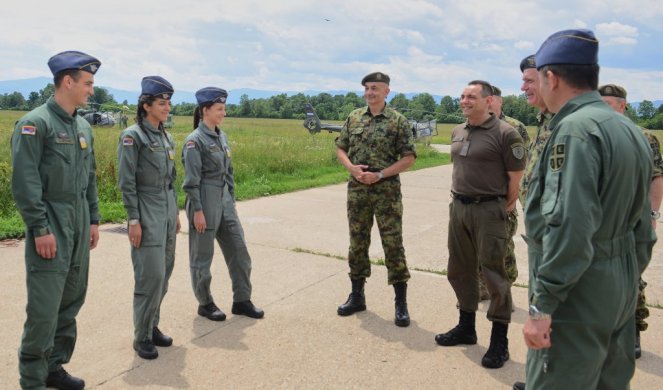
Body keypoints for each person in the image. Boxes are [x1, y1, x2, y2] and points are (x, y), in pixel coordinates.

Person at [522, 29, 656, 388]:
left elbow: (569, 225)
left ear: (551, 77)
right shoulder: (627, 129)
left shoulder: (574, 131)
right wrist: (622, 275)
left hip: (576, 291)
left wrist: (543, 305)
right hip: (620, 282)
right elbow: (644, 227)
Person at [11, 50, 101, 390]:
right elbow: (25, 182)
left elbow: (89, 176)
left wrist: (93, 218)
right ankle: (32, 381)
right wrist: (39, 227)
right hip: (51, 220)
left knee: (70, 300)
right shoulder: (36, 124)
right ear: (68, 81)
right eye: (88, 83)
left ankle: (54, 367)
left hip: (78, 221)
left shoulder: (81, 126)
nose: (92, 90)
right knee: (45, 308)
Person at [435, 80, 525, 369]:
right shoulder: (458, 130)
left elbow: (515, 179)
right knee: (459, 270)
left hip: (489, 210)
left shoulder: (506, 133)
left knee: (494, 274)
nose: (464, 101)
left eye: (471, 97)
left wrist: (502, 206)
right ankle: (466, 327)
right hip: (458, 207)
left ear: (489, 101)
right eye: (462, 96)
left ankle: (500, 342)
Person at [335, 71, 416, 327]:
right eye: (368, 88)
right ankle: (357, 295)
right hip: (357, 191)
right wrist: (352, 168)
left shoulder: (398, 121)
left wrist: (380, 174)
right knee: (357, 243)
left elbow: (409, 157)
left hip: (386, 193)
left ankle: (400, 303)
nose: (370, 92)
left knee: (393, 245)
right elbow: (340, 147)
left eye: (375, 88)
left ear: (387, 91)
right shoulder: (354, 117)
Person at [182, 87, 264, 322]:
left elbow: (229, 172)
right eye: (219, 109)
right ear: (205, 110)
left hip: (224, 200)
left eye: (224, 109)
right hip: (204, 201)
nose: (223, 113)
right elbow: (191, 182)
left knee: (240, 252)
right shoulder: (194, 141)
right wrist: (197, 210)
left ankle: (242, 300)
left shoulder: (222, 136)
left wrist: (232, 200)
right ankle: (205, 303)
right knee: (202, 257)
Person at [117, 76, 181, 360]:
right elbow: (127, 181)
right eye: (161, 102)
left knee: (164, 274)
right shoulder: (133, 136)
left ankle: (152, 325)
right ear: (146, 105)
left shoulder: (165, 135)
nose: (167, 107)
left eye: (168, 102)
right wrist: (133, 219)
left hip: (166, 210)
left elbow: (172, 179)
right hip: (146, 209)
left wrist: (175, 213)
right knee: (149, 276)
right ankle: (141, 336)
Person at [598, 83, 663, 359]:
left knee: (630, 276)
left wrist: (652, 214)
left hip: (630, 220)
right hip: (598, 221)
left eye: (608, 104)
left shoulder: (644, 137)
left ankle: (632, 331)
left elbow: (656, 178)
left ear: (622, 106)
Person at [512, 54, 554, 390]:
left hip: (557, 248)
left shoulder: (570, 127)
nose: (523, 86)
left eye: (529, 80)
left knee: (555, 321)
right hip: (540, 242)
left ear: (550, 78)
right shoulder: (546, 122)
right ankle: (541, 379)